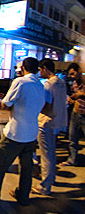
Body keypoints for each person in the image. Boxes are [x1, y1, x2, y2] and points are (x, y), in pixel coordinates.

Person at [0, 57, 45, 207]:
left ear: (23, 68)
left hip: (15, 133)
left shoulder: (20, 82)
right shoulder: (40, 84)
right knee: (26, 168)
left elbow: (6, 103)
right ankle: (23, 195)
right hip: (32, 134)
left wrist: (3, 103)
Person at [32, 59, 68, 195]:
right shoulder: (61, 82)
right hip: (57, 122)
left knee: (46, 155)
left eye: (41, 70)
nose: (40, 72)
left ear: (45, 68)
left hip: (46, 122)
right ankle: (50, 179)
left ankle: (45, 186)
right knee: (51, 153)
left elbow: (45, 104)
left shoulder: (48, 84)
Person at [60, 63, 85, 166]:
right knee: (72, 139)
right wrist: (71, 99)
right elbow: (74, 97)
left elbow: (79, 95)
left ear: (79, 70)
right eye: (70, 74)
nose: (72, 76)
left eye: (73, 73)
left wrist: (81, 94)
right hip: (75, 114)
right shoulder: (74, 83)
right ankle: (72, 160)